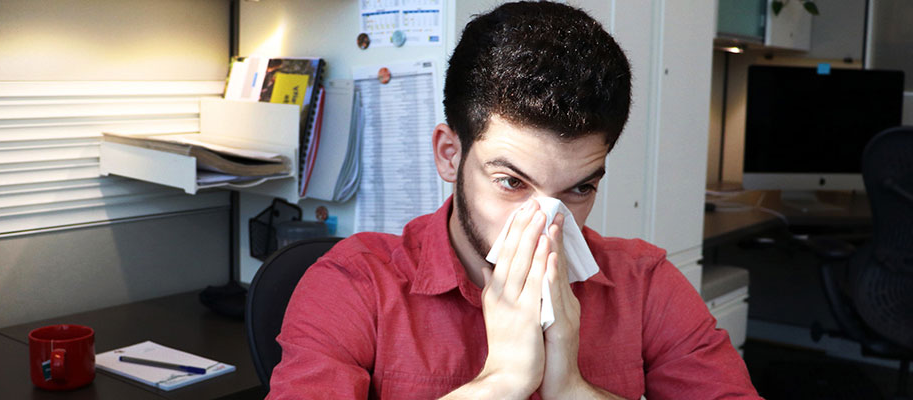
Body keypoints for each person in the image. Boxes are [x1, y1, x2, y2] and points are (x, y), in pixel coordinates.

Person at [267, 2, 761, 399]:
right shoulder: (355, 284)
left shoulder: (645, 284)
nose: (546, 224)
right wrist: (499, 383)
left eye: (579, 188)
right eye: (511, 182)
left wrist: (572, 389)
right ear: (448, 154)